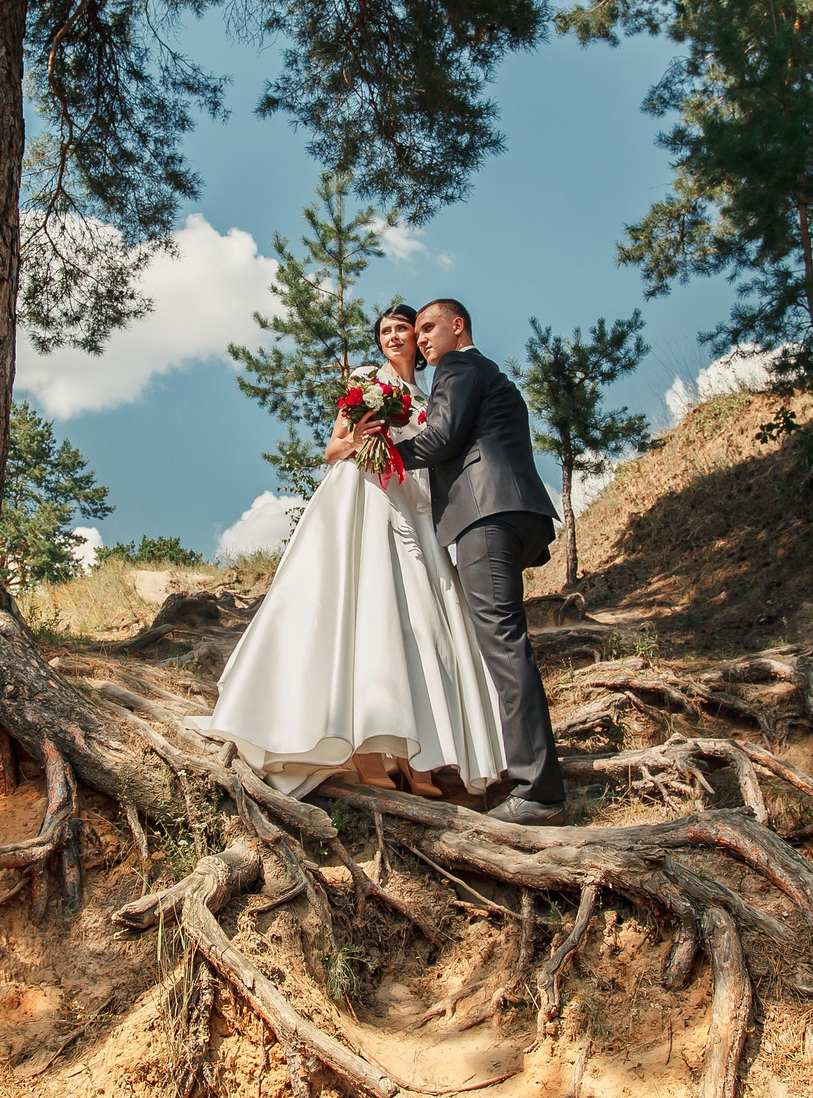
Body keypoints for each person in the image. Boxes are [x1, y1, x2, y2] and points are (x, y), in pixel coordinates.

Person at [201, 305, 509, 799]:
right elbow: (332, 449)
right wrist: (362, 440)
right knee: (371, 610)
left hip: (415, 506)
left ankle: (420, 758)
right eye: (384, 331)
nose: (393, 337)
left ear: (418, 339)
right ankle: (365, 751)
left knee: (422, 621)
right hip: (366, 499)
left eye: (401, 330)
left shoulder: (430, 396)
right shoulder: (368, 381)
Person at [379, 298, 568, 825]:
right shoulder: (492, 374)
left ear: (457, 326)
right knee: (508, 644)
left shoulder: (458, 366)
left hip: (486, 516)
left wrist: (381, 449)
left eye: (427, 328)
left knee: (504, 646)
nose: (421, 340)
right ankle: (533, 774)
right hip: (516, 514)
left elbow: (439, 438)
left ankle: (539, 792)